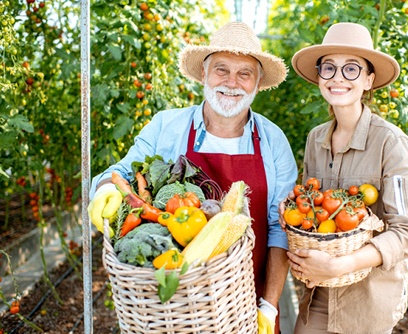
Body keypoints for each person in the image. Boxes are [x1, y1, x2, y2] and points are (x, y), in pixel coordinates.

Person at [88, 21, 297, 334]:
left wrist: (267, 306)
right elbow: (120, 172)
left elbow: (279, 229)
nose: (232, 82)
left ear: (257, 83)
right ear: (203, 74)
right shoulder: (165, 127)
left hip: (248, 304)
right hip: (173, 307)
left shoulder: (273, 140)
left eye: (245, 73)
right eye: (221, 69)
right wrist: (106, 188)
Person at [278, 22, 408, 333]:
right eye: (329, 68)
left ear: (369, 79)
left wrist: (340, 265)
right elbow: (314, 209)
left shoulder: (390, 142)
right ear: (319, 77)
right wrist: (291, 211)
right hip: (317, 293)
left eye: (351, 69)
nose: (337, 78)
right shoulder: (315, 139)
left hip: (367, 304)